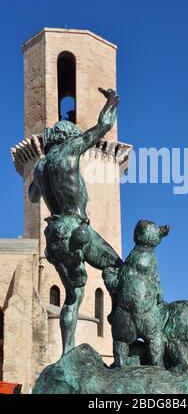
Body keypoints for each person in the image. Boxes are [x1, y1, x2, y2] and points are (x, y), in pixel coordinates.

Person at [29, 88, 122, 355]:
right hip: (75, 227)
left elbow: (33, 197)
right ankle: (121, 347)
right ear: (69, 137)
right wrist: (112, 102)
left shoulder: (40, 166)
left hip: (53, 233)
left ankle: (67, 352)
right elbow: (103, 125)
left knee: (72, 297)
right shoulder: (70, 150)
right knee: (119, 267)